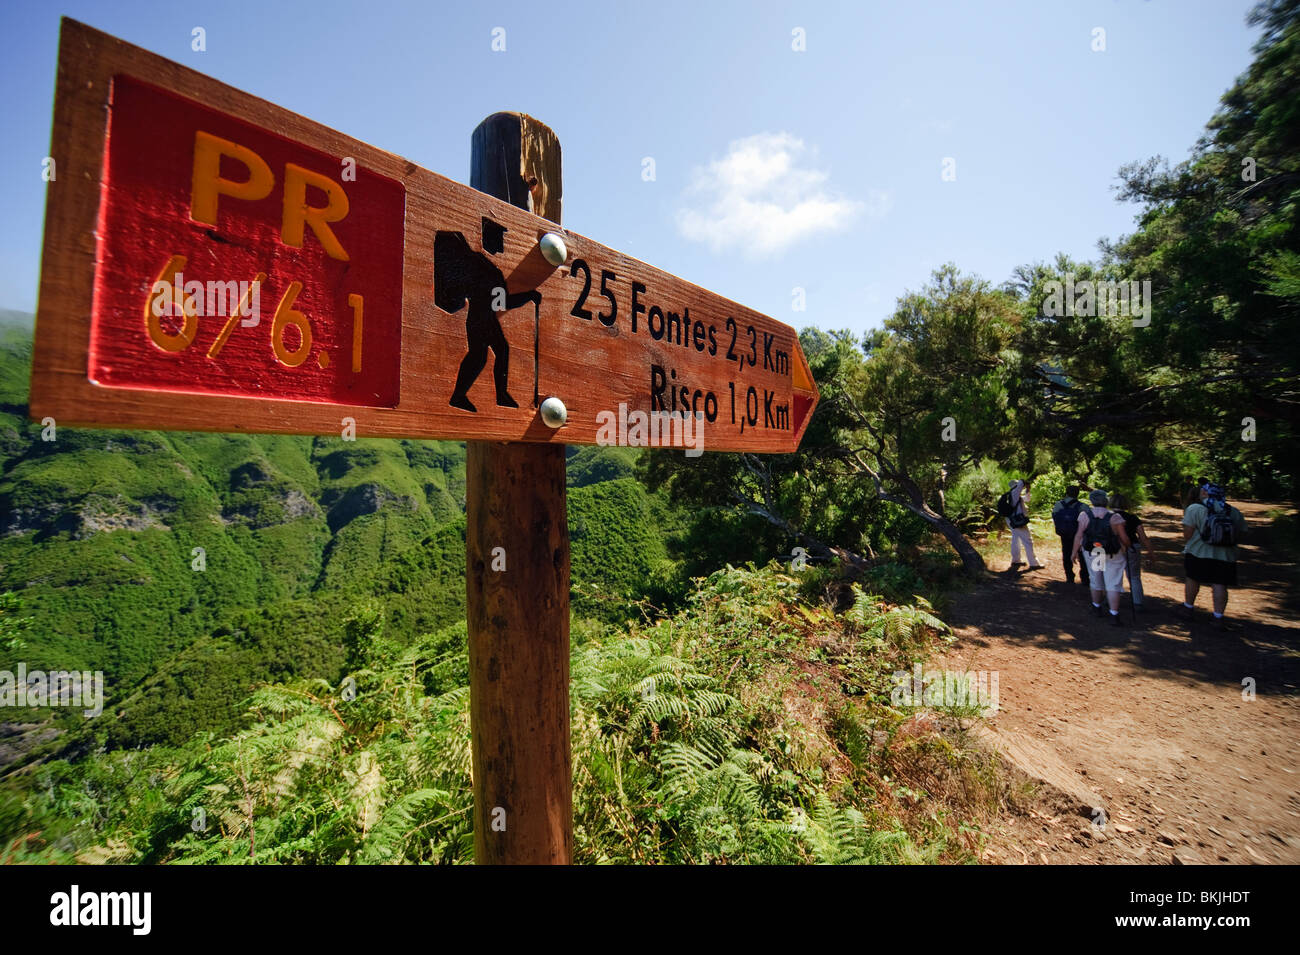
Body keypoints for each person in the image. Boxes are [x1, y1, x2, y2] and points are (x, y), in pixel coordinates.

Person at [1179, 482, 1247, 630]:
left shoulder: (1195, 509)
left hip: (1198, 551)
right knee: (1220, 584)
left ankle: (1188, 608)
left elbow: (1187, 535)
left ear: (1204, 493)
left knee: (1193, 579)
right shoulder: (1233, 512)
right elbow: (1240, 535)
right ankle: (1218, 617)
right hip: (1225, 555)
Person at [1071, 489, 1131, 626]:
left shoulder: (1084, 515)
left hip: (1095, 552)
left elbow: (1079, 535)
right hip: (1113, 553)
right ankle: (1114, 614)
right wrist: (1128, 546)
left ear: (1092, 500)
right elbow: (1124, 539)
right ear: (1106, 501)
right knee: (1113, 583)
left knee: (1096, 579)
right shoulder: (1115, 517)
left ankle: (1096, 607)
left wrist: (1074, 552)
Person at [1108, 492, 1150, 613]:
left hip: (1113, 548)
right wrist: (1150, 552)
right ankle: (1137, 602)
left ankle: (1109, 600)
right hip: (1132, 547)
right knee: (1134, 576)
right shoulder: (1133, 518)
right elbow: (1143, 537)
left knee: (1113, 575)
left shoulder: (1108, 517)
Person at [1051, 485, 1089, 585]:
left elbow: (1055, 518)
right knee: (1082, 556)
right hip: (1079, 535)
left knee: (1066, 554)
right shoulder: (1083, 506)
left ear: (1066, 493)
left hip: (1064, 534)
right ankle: (1085, 578)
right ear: (1078, 493)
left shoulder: (1058, 504)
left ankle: (1069, 576)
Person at [1006, 479, 1043, 570]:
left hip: (1012, 521)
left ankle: (1016, 560)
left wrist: (1028, 490)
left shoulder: (1014, 495)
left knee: (1016, 540)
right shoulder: (1015, 493)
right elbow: (1021, 483)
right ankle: (1034, 563)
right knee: (1028, 541)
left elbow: (1027, 499)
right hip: (1018, 521)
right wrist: (1025, 482)